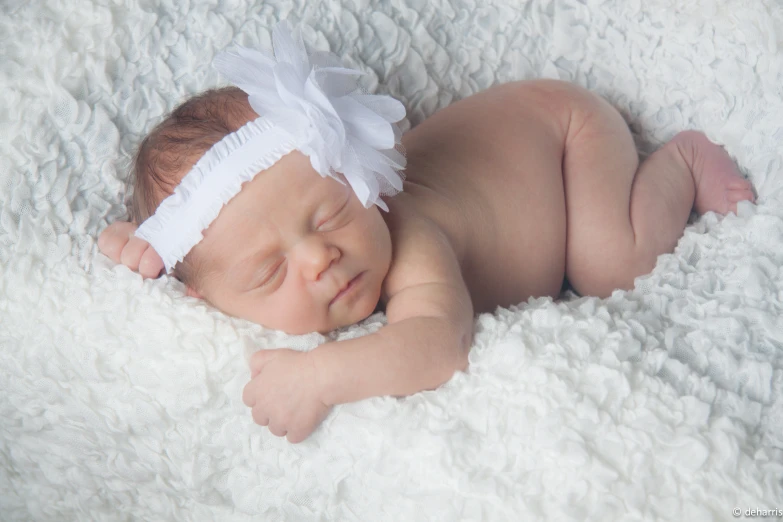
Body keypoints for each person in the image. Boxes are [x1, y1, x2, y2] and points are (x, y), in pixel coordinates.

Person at [97, 22, 756, 443]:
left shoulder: (411, 239)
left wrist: (318, 377)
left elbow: (437, 343)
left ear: (356, 179)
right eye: (269, 271)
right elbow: (190, 254)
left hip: (560, 134)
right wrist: (142, 249)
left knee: (610, 267)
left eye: (330, 214)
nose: (321, 257)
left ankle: (684, 159)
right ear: (203, 299)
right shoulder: (220, 259)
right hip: (513, 137)